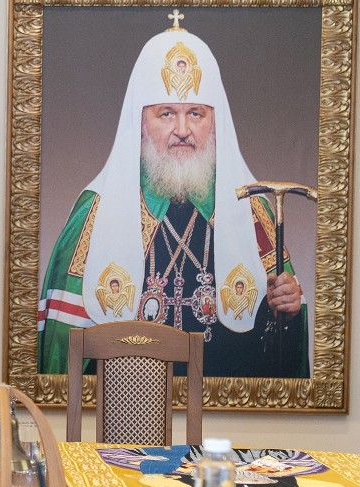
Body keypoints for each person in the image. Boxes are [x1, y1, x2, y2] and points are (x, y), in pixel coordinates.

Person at [37, 14, 310, 378]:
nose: (183, 129)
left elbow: (280, 356)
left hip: (224, 408)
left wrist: (288, 313)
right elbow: (62, 352)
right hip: (128, 410)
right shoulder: (96, 213)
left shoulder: (252, 211)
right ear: (140, 122)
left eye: (195, 113)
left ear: (215, 122)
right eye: (166, 113)